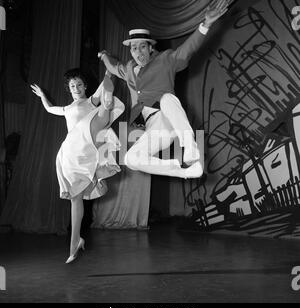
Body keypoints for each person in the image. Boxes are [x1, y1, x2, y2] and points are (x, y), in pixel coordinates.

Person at [98, 0, 229, 179]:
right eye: (134, 48)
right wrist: (104, 56)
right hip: (154, 128)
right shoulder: (129, 69)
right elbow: (114, 67)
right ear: (131, 51)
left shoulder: (165, 60)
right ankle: (184, 171)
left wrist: (206, 24)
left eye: (142, 47)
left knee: (167, 98)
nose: (139, 52)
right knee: (131, 159)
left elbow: (186, 50)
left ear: (151, 48)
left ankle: (190, 148)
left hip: (169, 116)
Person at [31, 69, 125, 263]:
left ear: (85, 86)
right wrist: (42, 96)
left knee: (98, 118)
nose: (76, 88)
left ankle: (106, 106)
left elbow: (104, 85)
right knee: (76, 198)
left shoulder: (90, 101)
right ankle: (75, 241)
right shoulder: (66, 109)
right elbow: (49, 109)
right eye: (73, 86)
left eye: (79, 85)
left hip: (88, 143)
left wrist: (109, 70)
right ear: (69, 89)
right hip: (72, 153)